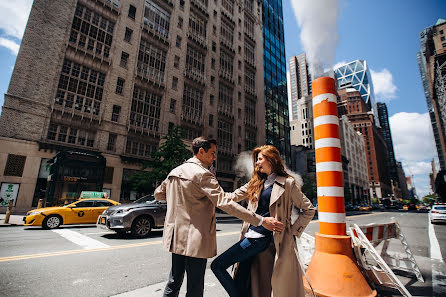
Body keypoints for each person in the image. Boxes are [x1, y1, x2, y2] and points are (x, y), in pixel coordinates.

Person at [154, 137, 283, 297]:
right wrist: (261, 220)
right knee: (195, 287)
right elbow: (224, 203)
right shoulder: (203, 175)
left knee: (174, 282)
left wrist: (183, 197)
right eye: (212, 153)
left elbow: (159, 194)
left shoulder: (175, 172)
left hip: (176, 237)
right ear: (201, 152)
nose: (214, 157)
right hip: (194, 239)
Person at [211, 145, 315, 297]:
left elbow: (309, 209)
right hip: (251, 235)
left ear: (271, 160)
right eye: (256, 160)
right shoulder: (256, 183)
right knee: (242, 281)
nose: (257, 163)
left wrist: (290, 231)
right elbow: (230, 197)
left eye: (260, 159)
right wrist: (209, 188)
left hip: (262, 239)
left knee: (218, 265)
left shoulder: (287, 183)